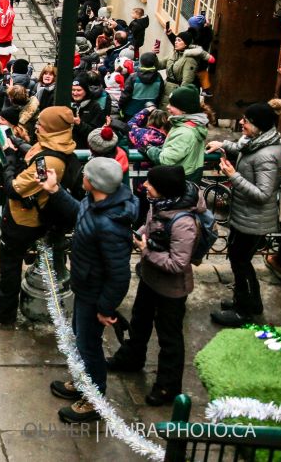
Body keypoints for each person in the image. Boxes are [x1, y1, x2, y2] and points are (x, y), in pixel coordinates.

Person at [39, 157, 138, 423]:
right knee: (80, 338)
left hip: (94, 295)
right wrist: (55, 190)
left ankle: (94, 401)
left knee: (89, 345)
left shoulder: (110, 224)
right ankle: (83, 383)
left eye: (85, 174)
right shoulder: (97, 203)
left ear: (92, 183)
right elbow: (79, 215)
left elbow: (119, 274)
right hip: (85, 287)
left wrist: (106, 308)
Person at [107, 165, 201, 407]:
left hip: (171, 289)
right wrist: (139, 235)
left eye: (150, 183)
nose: (145, 186)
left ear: (164, 189)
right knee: (140, 320)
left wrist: (145, 251)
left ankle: (168, 387)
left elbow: (177, 263)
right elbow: (150, 227)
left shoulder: (184, 223)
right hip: (150, 279)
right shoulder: (160, 204)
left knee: (169, 337)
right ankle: (132, 357)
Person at [0, 106, 78, 324]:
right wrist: (19, 145)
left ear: (52, 128)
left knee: (9, 264)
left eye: (41, 124)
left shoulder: (50, 160)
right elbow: (37, 157)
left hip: (22, 220)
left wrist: (9, 157)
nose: (36, 125)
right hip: (30, 215)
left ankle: (4, 311)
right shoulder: (57, 146)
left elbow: (14, 188)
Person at [206, 102, 281, 326]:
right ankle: (250, 302)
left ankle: (244, 311)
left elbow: (263, 194)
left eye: (247, 121)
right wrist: (222, 144)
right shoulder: (257, 142)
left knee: (240, 261)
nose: (242, 122)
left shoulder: (267, 155)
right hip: (246, 216)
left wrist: (233, 176)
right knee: (239, 259)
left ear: (259, 127)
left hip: (255, 220)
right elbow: (244, 148)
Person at [145, 85, 209, 182]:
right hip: (187, 176)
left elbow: (165, 160)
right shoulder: (191, 125)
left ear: (184, 109)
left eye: (172, 105)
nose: (167, 107)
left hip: (178, 181)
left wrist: (150, 150)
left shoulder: (185, 132)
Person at [118, 52, 163, 119]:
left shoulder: (133, 77)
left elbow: (125, 96)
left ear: (141, 63)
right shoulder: (159, 77)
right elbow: (160, 95)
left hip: (131, 112)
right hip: (150, 112)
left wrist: (120, 107)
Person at [71, 75, 109, 150]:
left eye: (78, 90)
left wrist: (80, 124)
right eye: (73, 90)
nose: (75, 93)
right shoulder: (68, 104)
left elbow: (95, 132)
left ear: (86, 91)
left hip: (86, 148)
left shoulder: (94, 106)